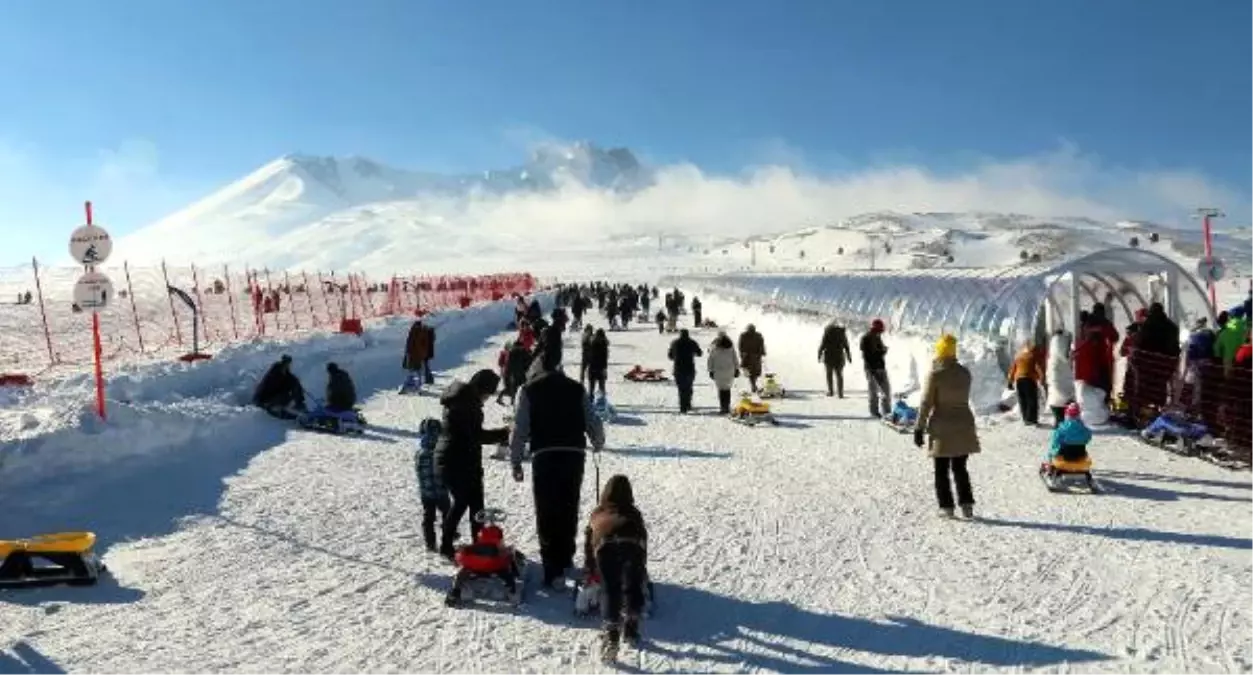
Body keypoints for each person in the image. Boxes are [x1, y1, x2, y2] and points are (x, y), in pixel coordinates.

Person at [509, 346, 606, 587]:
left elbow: (519, 428)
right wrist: (597, 442)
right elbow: (592, 420)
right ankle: (565, 558)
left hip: (545, 454)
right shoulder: (576, 388)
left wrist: (516, 460)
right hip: (574, 454)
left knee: (547, 509)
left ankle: (551, 567)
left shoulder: (528, 389)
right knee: (568, 505)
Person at [434, 369, 510, 558]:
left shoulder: (464, 401)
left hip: (464, 461)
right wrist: (504, 433)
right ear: (481, 389)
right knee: (462, 502)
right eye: (488, 393)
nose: (487, 398)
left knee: (477, 504)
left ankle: (480, 543)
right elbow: (476, 436)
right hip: (454, 461)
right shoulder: (465, 404)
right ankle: (446, 544)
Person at [914, 334, 980, 519]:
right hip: (964, 424)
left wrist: (919, 428)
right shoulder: (965, 373)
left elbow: (926, 403)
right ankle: (967, 505)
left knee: (941, 469)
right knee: (960, 467)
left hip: (942, 427)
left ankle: (947, 507)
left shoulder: (934, 375)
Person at [583, 474, 649, 660]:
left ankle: (611, 632)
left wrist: (590, 566)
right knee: (632, 584)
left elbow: (589, 543)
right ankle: (631, 627)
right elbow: (643, 536)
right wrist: (641, 565)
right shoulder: (634, 513)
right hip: (633, 542)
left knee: (610, 587)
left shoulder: (597, 512)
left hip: (605, 545)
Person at [415, 418, 449, 552]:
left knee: (428, 518)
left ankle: (430, 542)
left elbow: (419, 472)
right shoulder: (441, 450)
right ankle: (448, 538)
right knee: (447, 514)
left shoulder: (420, 452)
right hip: (441, 491)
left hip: (426, 492)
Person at [1006, 342, 1044, 425]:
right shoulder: (1033, 356)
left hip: (1019, 380)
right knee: (1032, 400)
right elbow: (1038, 368)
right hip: (1029, 379)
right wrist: (1041, 379)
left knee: (1023, 400)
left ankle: (1026, 419)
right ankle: (1032, 419)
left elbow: (1012, 370)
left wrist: (1010, 382)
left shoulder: (1019, 356)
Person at [860, 319, 891, 418]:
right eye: (879, 331)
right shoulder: (865, 338)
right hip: (871, 368)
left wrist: (882, 350)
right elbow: (868, 356)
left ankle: (887, 411)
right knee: (873, 391)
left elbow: (878, 351)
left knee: (886, 390)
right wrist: (882, 352)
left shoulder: (877, 338)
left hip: (880, 367)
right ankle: (874, 411)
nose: (880, 333)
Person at [1045, 330, 1076, 427]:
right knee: (1060, 408)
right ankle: (1060, 428)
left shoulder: (1053, 350)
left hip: (1057, 388)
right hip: (1059, 388)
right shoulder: (1059, 341)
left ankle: (1059, 427)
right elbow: (1063, 355)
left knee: (1059, 412)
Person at [667, 328, 703, 413]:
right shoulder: (692, 342)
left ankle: (683, 407)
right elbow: (700, 353)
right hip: (689, 368)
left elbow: (670, 356)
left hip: (678, 368)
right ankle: (688, 404)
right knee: (689, 386)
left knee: (681, 388)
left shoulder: (675, 343)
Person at [818, 320, 853, 398]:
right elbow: (846, 346)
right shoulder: (841, 333)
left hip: (829, 356)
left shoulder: (827, 332)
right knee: (839, 374)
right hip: (839, 356)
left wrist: (819, 354)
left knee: (829, 374)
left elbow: (823, 344)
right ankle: (840, 393)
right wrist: (849, 356)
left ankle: (831, 391)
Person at [707, 331, 739, 414]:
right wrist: (737, 369)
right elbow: (735, 358)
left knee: (721, 389)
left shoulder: (714, 347)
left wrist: (710, 370)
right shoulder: (731, 346)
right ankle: (727, 406)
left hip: (718, 370)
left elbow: (710, 359)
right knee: (727, 389)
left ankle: (723, 407)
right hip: (729, 370)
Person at [404, 319, 436, 385]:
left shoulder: (418, 331)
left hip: (417, 354)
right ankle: (427, 380)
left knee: (415, 369)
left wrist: (409, 351)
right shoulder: (426, 330)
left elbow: (414, 343)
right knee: (422, 367)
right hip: (423, 353)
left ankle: (415, 384)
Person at [737, 325, 766, 393]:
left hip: (753, 356)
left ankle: (753, 385)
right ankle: (753, 385)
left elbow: (761, 344)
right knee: (753, 372)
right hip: (750, 356)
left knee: (754, 373)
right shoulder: (744, 335)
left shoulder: (757, 335)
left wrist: (762, 352)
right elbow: (740, 345)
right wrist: (742, 353)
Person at [587, 328, 610, 400]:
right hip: (596, 368)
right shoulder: (597, 344)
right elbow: (604, 358)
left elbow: (604, 359)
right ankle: (596, 401)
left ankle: (598, 401)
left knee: (596, 387)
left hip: (595, 368)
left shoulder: (594, 344)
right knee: (595, 388)